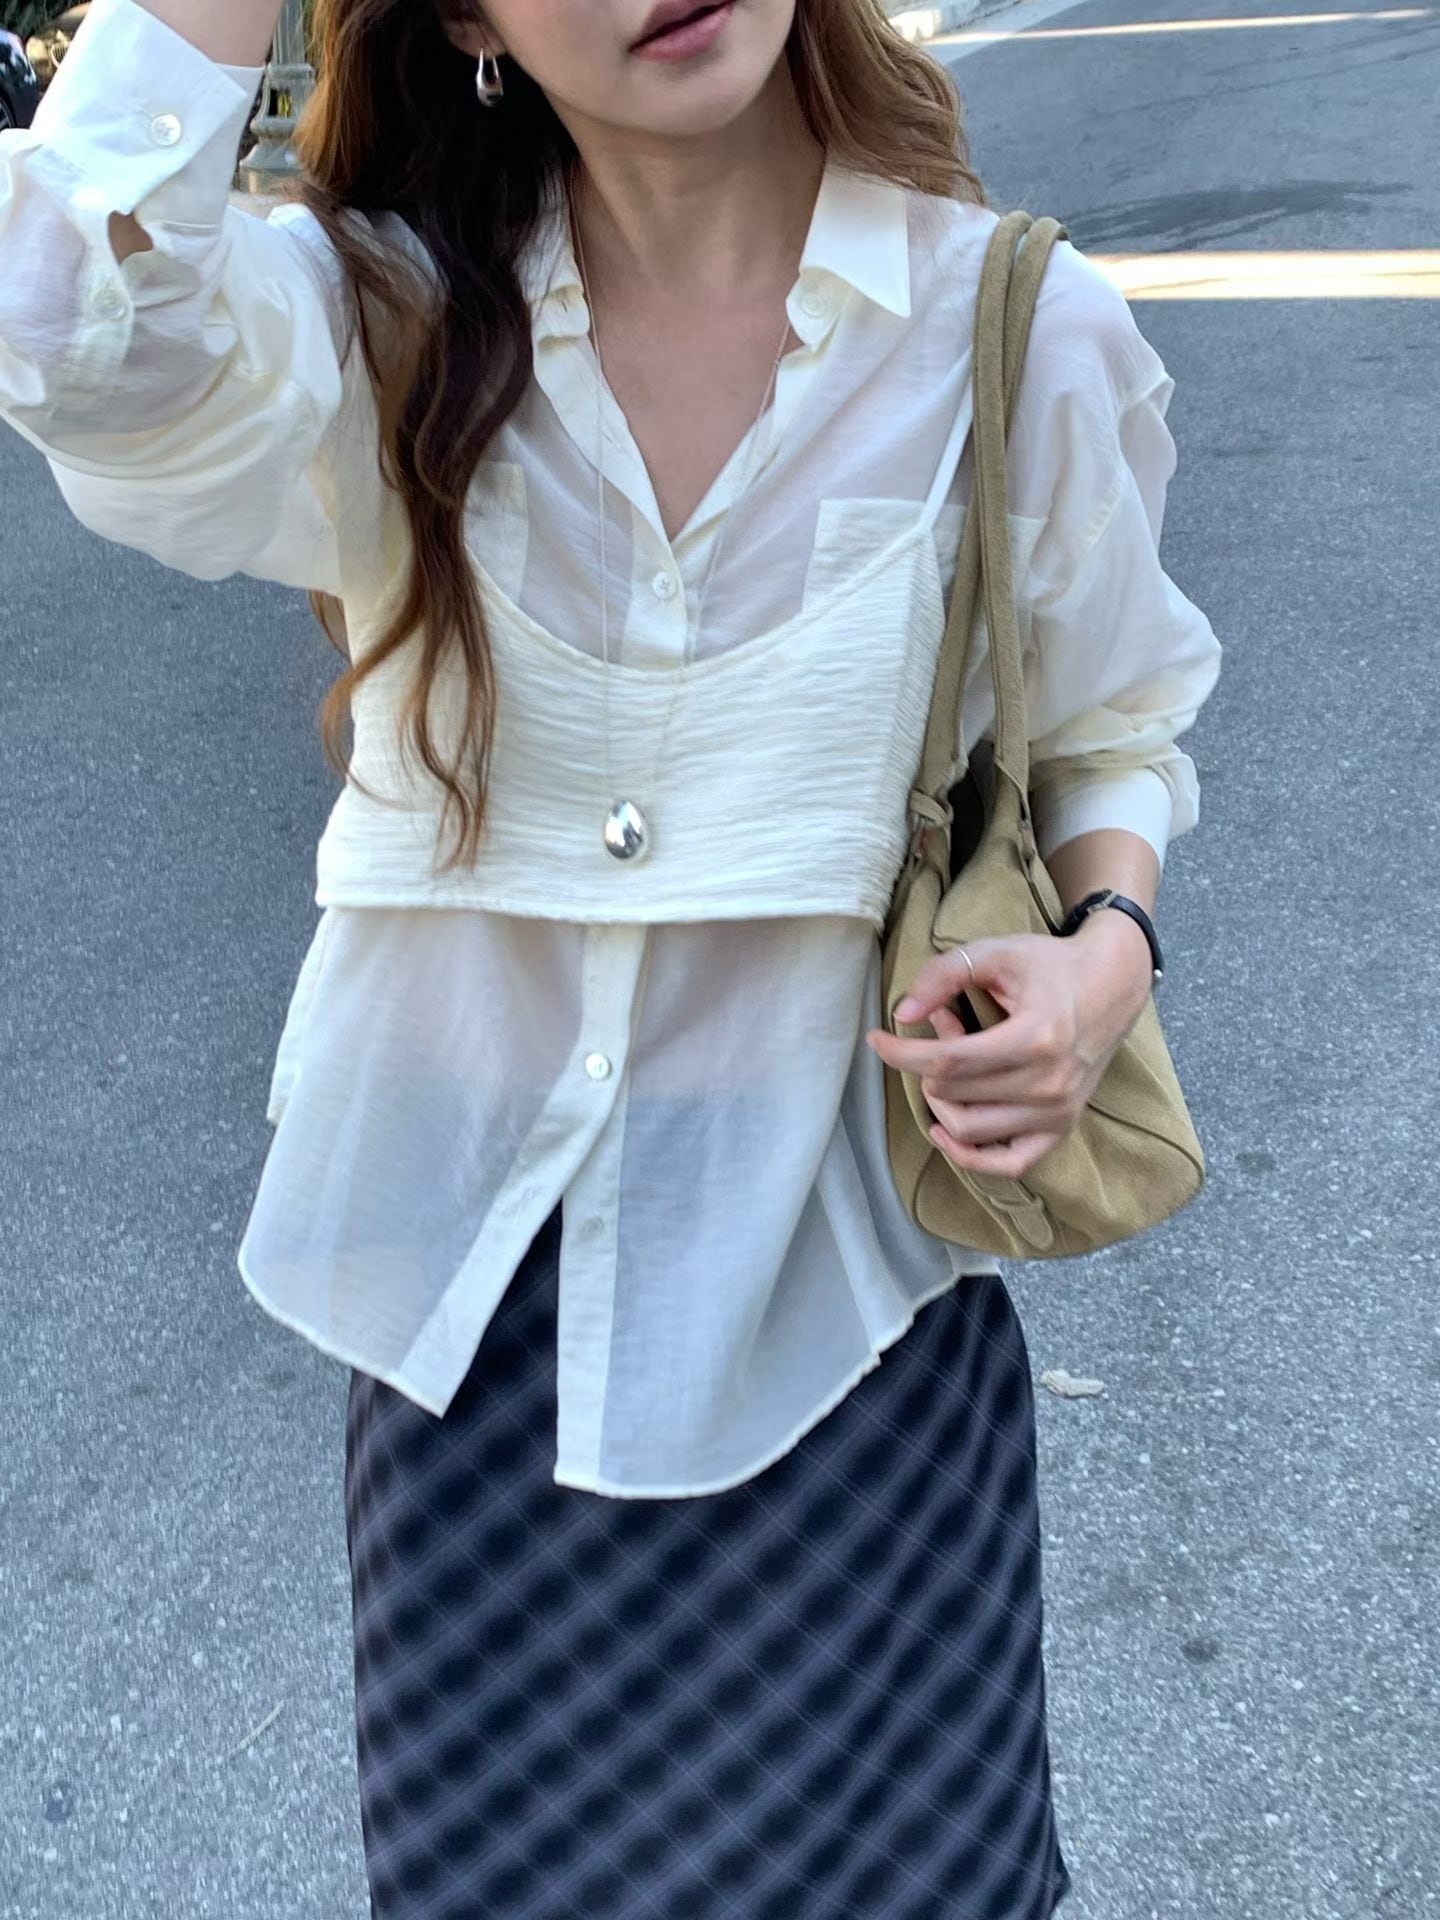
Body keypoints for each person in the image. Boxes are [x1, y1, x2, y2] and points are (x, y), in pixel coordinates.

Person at [0, 0, 1222, 1912]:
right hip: (470, 1356)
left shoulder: (1006, 325)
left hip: (843, 1323)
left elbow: (1110, 726)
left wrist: (1106, 954)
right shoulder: (391, 325)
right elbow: (66, 327)